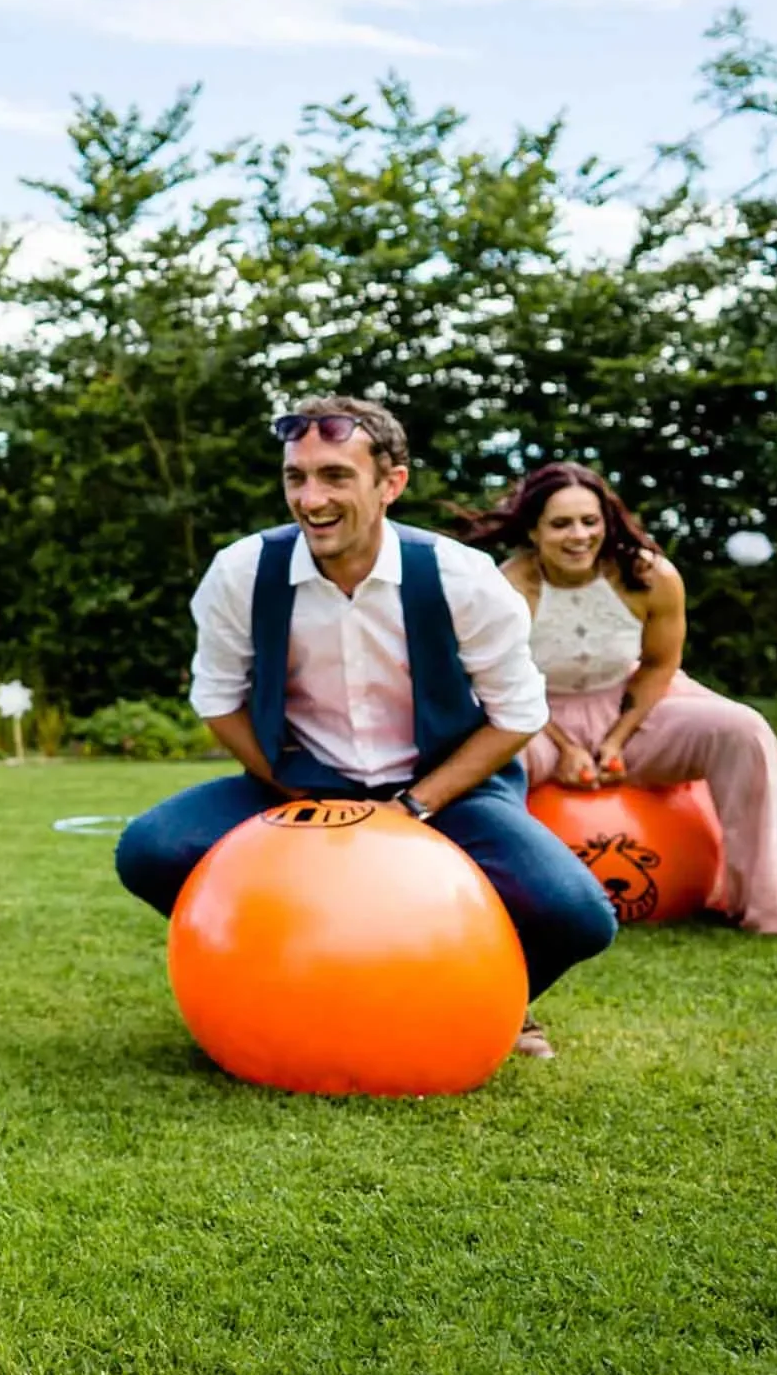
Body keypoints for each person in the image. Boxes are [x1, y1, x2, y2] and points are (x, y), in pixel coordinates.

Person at [114, 395, 617, 1058]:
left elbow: (518, 713)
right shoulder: (241, 573)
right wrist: (287, 786)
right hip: (299, 784)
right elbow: (216, 699)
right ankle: (269, 986)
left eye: (336, 476)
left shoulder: (460, 577)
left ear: (391, 483)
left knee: (575, 913)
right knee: (150, 849)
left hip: (448, 787)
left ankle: (499, 999)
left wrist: (415, 804)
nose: (310, 497)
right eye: (297, 477)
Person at [460, 461, 777, 936]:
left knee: (744, 730)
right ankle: (488, 906)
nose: (579, 535)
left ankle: (766, 906)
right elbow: (498, 679)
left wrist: (615, 741)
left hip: (632, 707)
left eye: (590, 522)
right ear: (533, 530)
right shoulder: (505, 587)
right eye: (561, 524)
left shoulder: (651, 576)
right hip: (535, 718)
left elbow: (659, 665)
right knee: (474, 759)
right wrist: (568, 748)